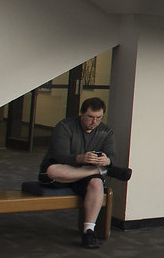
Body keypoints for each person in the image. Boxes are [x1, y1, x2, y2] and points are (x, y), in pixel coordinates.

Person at [39, 98, 130, 248]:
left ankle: (89, 230)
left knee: (96, 182)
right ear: (81, 114)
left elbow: (112, 156)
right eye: (90, 117)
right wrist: (81, 158)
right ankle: (100, 171)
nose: (94, 122)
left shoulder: (106, 132)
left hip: (84, 173)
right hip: (62, 171)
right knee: (53, 170)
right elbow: (60, 156)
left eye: (98, 118)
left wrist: (106, 162)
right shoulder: (65, 127)